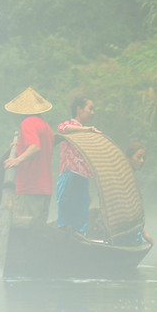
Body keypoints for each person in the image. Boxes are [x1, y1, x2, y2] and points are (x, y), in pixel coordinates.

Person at [3, 87, 55, 226]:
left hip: (30, 187)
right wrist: (17, 149)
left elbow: (35, 147)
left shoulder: (28, 123)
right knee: (38, 231)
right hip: (44, 188)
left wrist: (17, 160)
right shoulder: (45, 126)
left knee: (25, 231)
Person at [56, 96, 100, 235]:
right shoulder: (70, 125)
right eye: (90, 109)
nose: (93, 112)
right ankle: (64, 232)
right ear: (79, 110)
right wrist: (86, 130)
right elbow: (62, 129)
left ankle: (80, 235)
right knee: (67, 204)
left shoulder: (87, 131)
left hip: (82, 176)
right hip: (69, 173)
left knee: (83, 206)